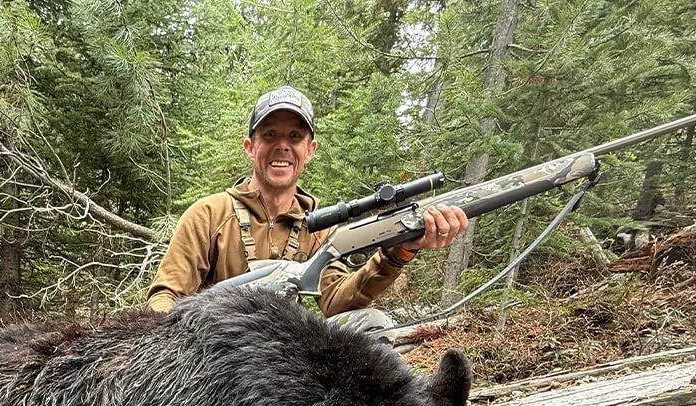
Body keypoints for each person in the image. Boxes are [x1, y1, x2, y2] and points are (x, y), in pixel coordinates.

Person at [146, 85, 469, 332]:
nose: (282, 146)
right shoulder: (209, 214)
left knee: (371, 326)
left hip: (286, 352)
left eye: (295, 136)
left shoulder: (320, 227)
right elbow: (164, 298)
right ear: (250, 147)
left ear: (310, 150)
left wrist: (396, 253)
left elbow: (336, 301)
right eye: (269, 135)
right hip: (217, 353)